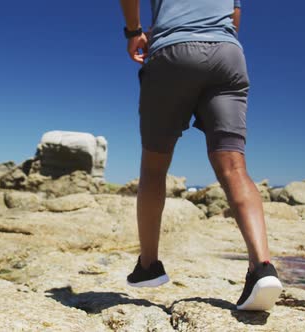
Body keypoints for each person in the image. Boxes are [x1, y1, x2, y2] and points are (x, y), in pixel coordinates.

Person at [120, 0, 283, 311]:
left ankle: (149, 265)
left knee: (154, 167)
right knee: (234, 167)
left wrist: (134, 32)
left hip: (172, 52)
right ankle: (262, 267)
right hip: (227, 55)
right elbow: (235, 17)